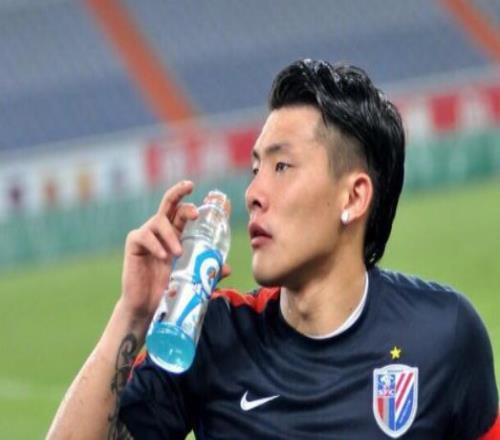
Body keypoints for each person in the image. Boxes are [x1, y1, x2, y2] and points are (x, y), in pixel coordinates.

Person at [47, 59, 498, 439]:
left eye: (282, 166)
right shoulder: (212, 335)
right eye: (255, 169)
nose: (253, 194)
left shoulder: (443, 336)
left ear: (354, 196)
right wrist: (132, 314)